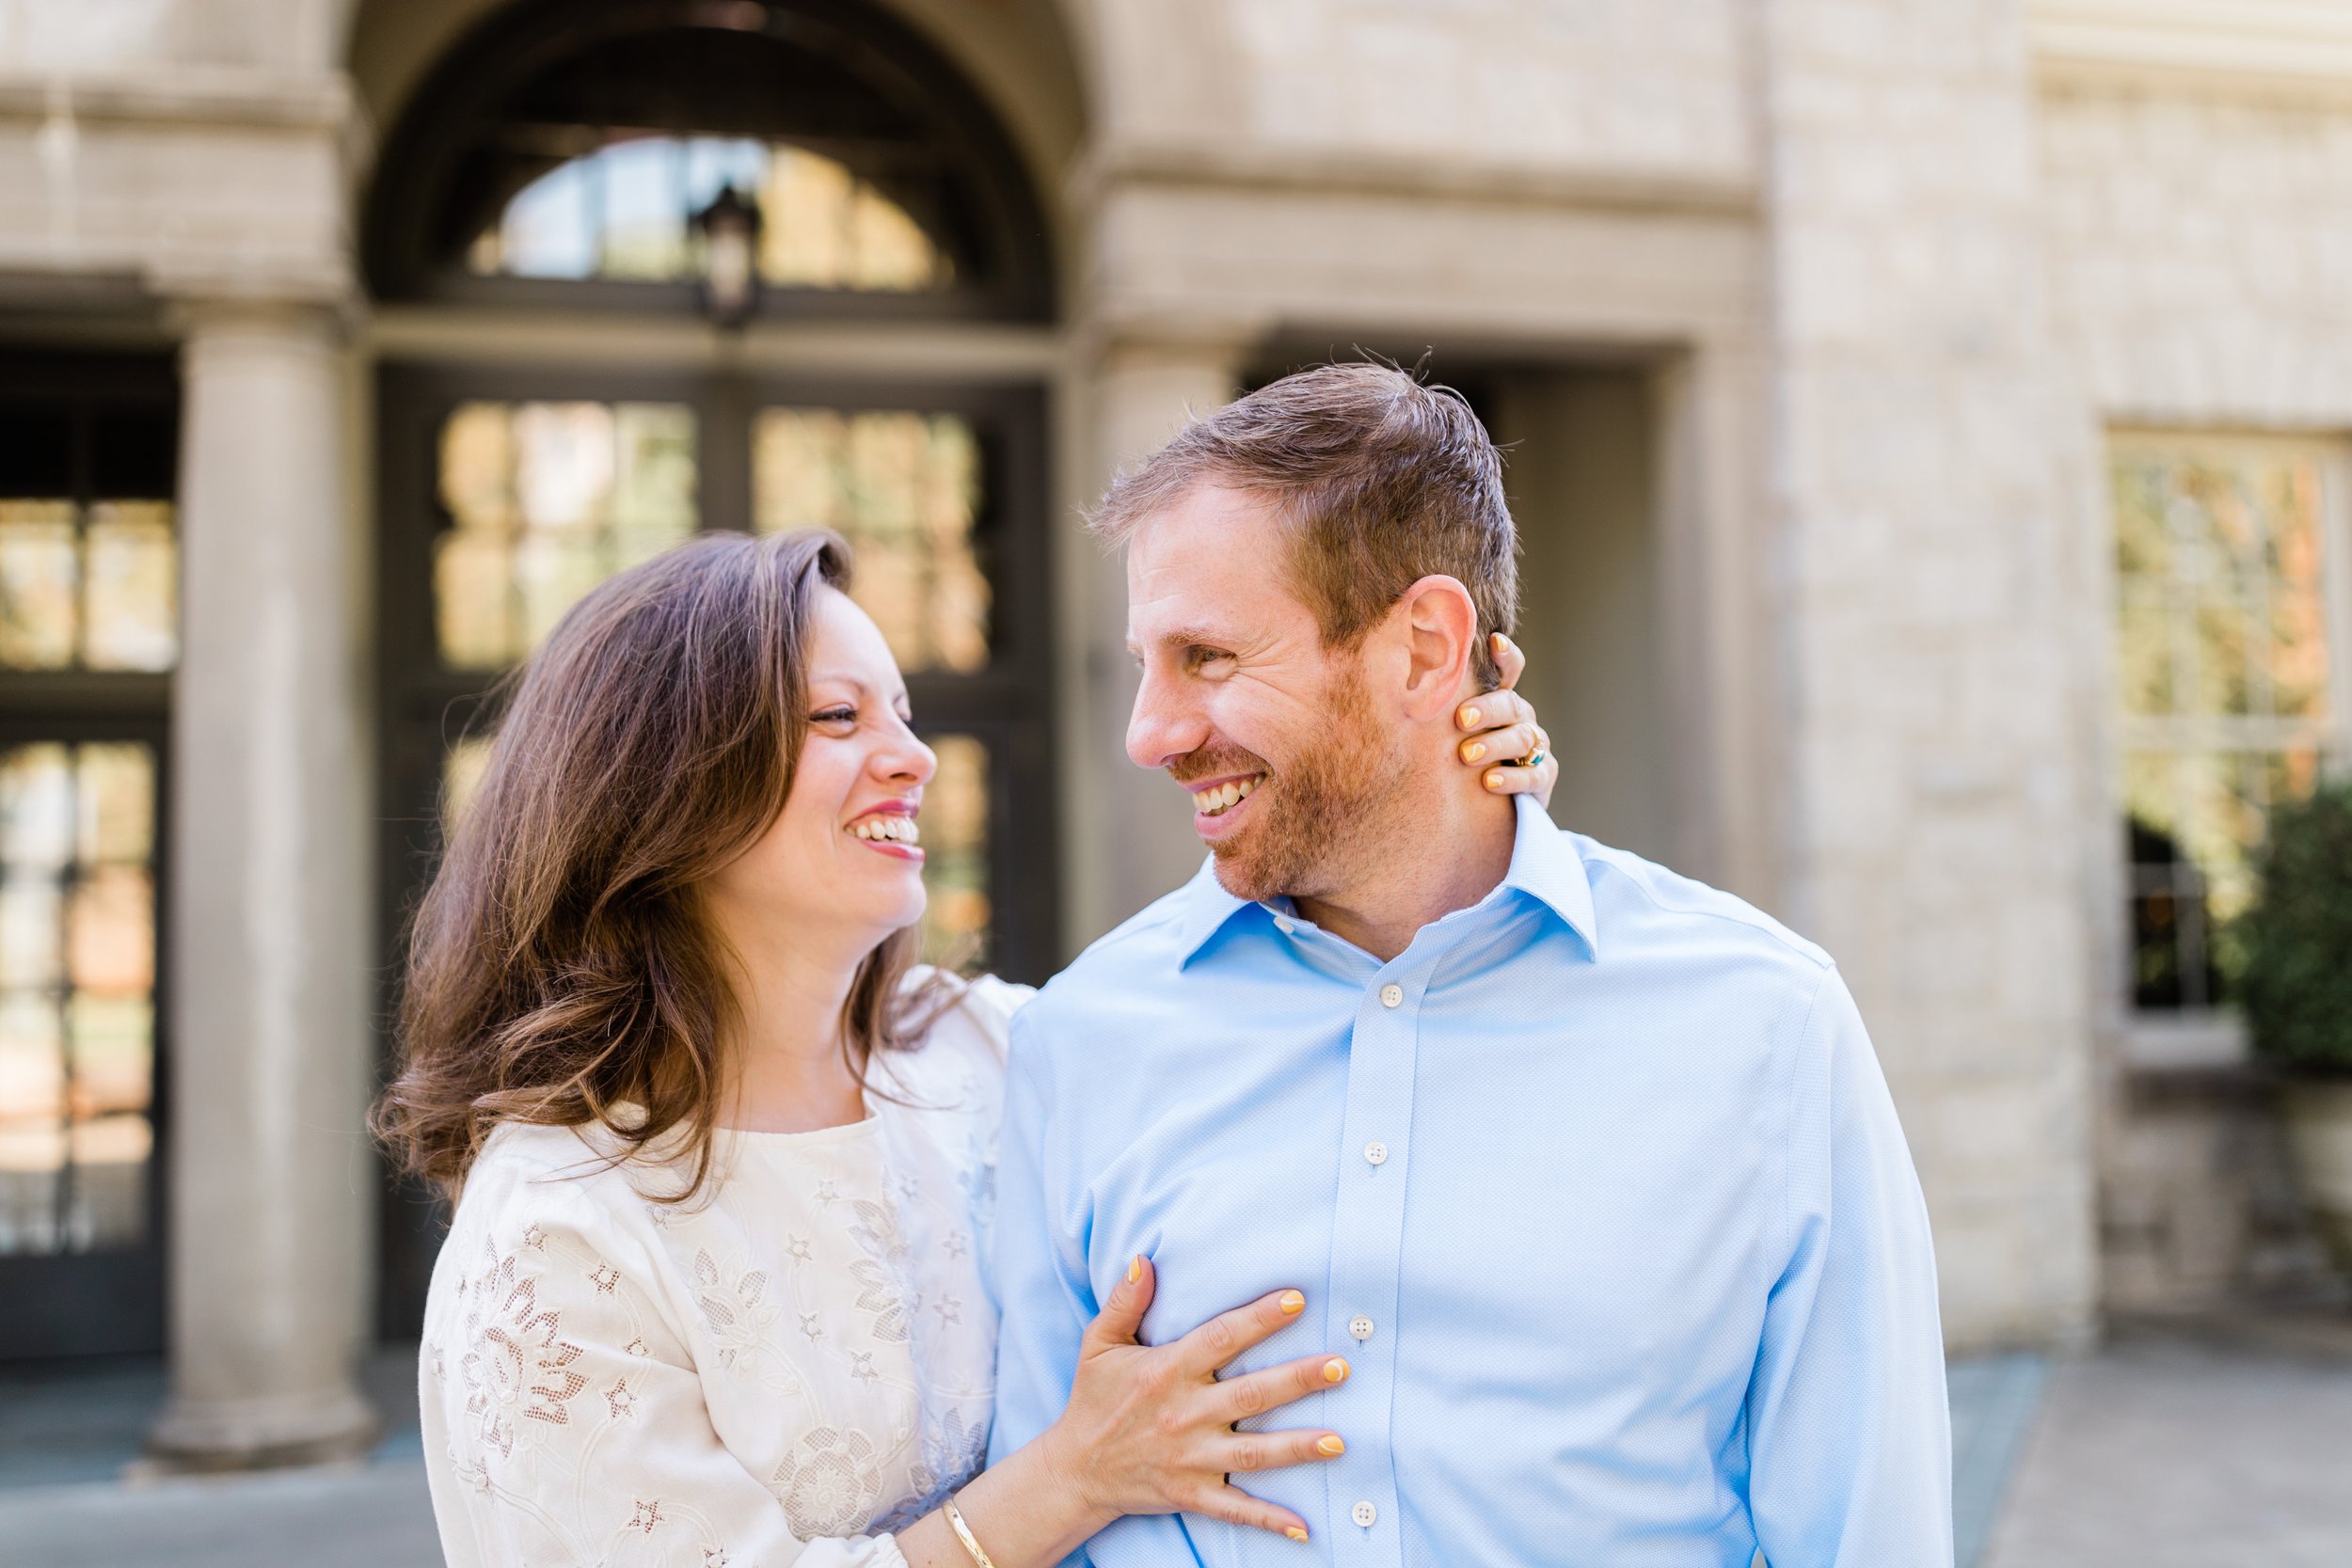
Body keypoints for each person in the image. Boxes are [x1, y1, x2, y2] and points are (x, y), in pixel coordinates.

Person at [372, 527, 1558, 1566]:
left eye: (903, 712)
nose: (913, 756)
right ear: (658, 783)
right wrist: (1072, 1478)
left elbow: (1305, 1027)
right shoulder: (558, 1226)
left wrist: (1443, 809)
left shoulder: (986, 1052)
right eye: (839, 717)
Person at [989, 364, 1953, 1566]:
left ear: (1425, 645)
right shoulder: (1078, 1041)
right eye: (1146, 661)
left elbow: (1866, 1529)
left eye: (1209, 657)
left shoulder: (1765, 1026)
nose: (1149, 731)